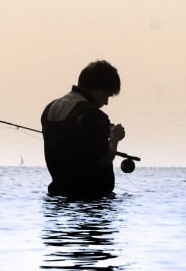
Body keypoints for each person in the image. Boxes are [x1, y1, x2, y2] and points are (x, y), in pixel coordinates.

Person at [41, 60, 126, 198]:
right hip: (91, 197)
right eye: (106, 95)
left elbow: (71, 139)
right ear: (98, 87)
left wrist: (102, 130)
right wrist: (114, 139)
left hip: (57, 195)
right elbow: (103, 161)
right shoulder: (92, 115)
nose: (106, 102)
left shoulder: (51, 107)